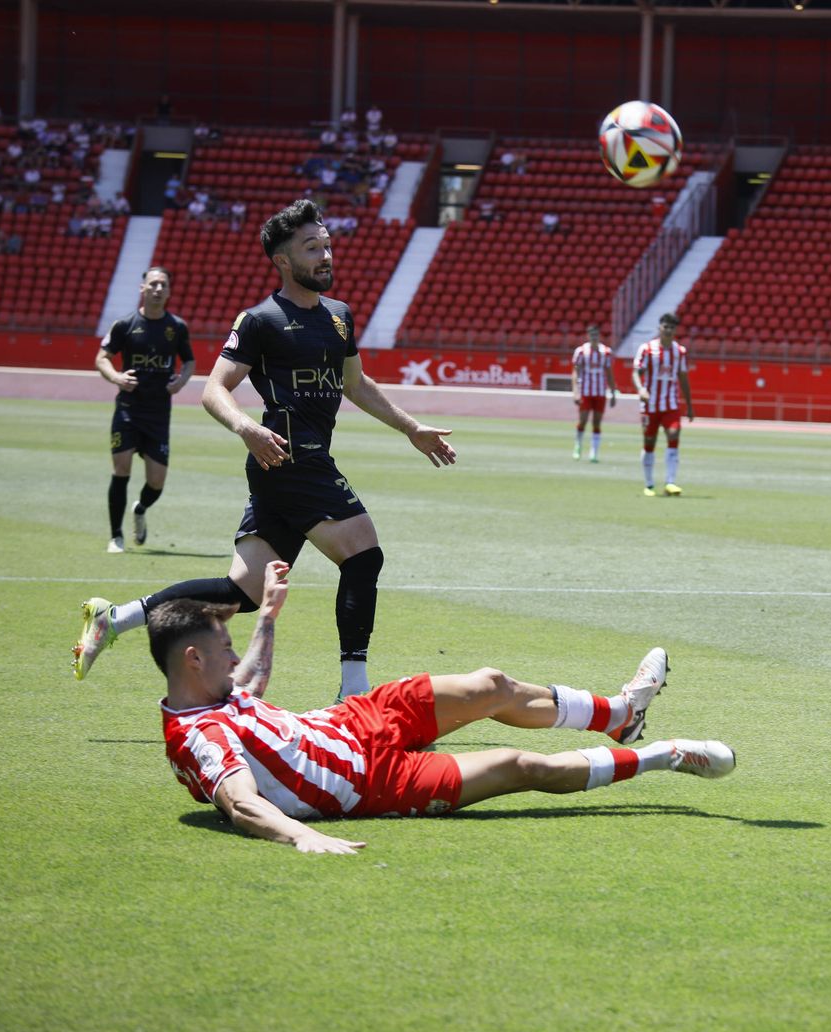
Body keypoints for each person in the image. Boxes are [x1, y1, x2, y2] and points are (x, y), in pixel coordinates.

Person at [73, 199, 457, 700]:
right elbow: (214, 388)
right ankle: (354, 692)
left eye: (327, 245)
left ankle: (116, 617)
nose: (325, 256)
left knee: (241, 593)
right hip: (291, 457)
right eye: (311, 247)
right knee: (364, 554)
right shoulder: (260, 320)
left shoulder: (339, 316)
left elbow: (355, 384)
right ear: (282, 259)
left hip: (284, 466)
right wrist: (245, 427)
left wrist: (411, 428)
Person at [154, 562, 734, 853]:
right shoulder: (198, 736)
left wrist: (268, 616)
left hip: (357, 718)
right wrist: (302, 837)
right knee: (519, 765)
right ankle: (664, 756)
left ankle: (621, 715)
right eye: (223, 649)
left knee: (490, 685)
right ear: (192, 660)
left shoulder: (214, 691)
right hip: (370, 781)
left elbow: (249, 683)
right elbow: (241, 803)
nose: (234, 658)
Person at [94, 266, 194, 553]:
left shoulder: (177, 327)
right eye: (153, 284)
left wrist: (181, 381)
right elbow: (102, 358)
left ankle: (140, 508)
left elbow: (189, 361)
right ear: (143, 288)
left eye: (163, 285)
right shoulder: (125, 325)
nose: (158, 289)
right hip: (128, 409)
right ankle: (116, 536)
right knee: (121, 468)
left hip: (158, 413)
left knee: (156, 482)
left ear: (169, 291)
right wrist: (117, 377)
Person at [632, 312, 694, 497]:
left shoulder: (680, 352)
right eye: (665, 327)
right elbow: (636, 372)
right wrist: (640, 389)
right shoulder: (646, 349)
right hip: (649, 405)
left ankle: (670, 482)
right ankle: (649, 484)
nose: (668, 330)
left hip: (671, 404)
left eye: (672, 328)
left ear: (675, 330)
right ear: (659, 328)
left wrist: (689, 405)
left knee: (674, 434)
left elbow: (683, 378)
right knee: (649, 442)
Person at [571, 324, 616, 462]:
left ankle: (594, 451)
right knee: (583, 420)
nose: (594, 337)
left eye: (596, 335)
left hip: (600, 392)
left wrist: (613, 392)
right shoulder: (581, 351)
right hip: (585, 391)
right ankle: (578, 445)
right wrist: (575, 392)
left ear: (599, 336)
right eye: (592, 335)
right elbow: (575, 372)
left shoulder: (606, 352)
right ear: (588, 336)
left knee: (597, 422)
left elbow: (609, 373)